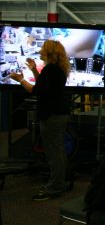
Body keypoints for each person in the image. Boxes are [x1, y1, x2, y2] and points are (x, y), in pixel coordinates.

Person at [9, 40, 71, 201]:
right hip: (58, 115)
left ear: (49, 52)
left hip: (52, 116)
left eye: (43, 49)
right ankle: (59, 183)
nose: (40, 51)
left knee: (54, 153)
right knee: (58, 151)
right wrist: (34, 70)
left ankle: (55, 187)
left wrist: (20, 80)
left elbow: (35, 90)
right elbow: (43, 86)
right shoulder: (57, 69)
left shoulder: (51, 70)